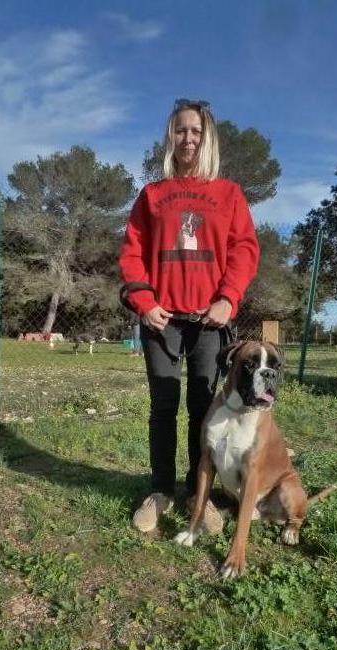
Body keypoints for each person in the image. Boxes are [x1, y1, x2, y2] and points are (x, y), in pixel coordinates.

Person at [119, 98, 260, 533]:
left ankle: (200, 494)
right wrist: (144, 302)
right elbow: (133, 251)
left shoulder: (228, 193)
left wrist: (227, 299)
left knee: (203, 407)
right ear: (170, 137)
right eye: (180, 130)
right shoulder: (152, 194)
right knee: (163, 405)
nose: (188, 138)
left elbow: (244, 250)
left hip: (209, 322)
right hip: (161, 319)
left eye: (196, 131)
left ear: (208, 138)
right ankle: (160, 491)